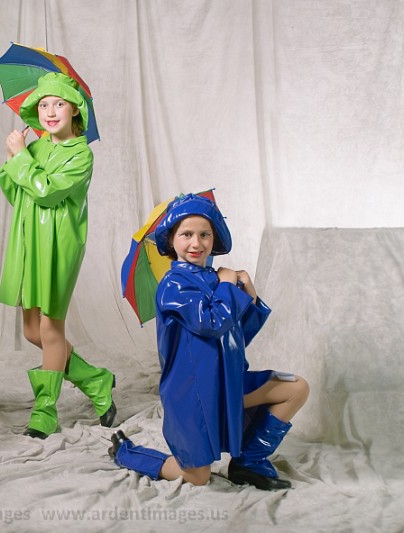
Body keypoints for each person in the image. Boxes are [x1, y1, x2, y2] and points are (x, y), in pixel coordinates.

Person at [108, 194, 309, 490]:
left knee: (296, 388)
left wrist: (249, 295)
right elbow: (212, 323)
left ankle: (249, 462)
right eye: (186, 234)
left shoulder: (216, 279)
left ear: (214, 239)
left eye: (204, 234)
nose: (196, 243)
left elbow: (237, 337)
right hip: (193, 394)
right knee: (197, 476)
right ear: (171, 240)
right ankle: (126, 452)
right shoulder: (173, 286)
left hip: (228, 384)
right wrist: (228, 285)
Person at [0, 72, 116, 438]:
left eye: (58, 104)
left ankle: (45, 411)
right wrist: (13, 157)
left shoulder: (80, 154)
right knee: (32, 330)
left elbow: (46, 192)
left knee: (50, 328)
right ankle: (95, 380)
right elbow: (16, 192)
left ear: (74, 109)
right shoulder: (36, 148)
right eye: (43, 105)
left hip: (58, 246)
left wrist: (21, 158)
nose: (49, 112)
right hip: (28, 241)